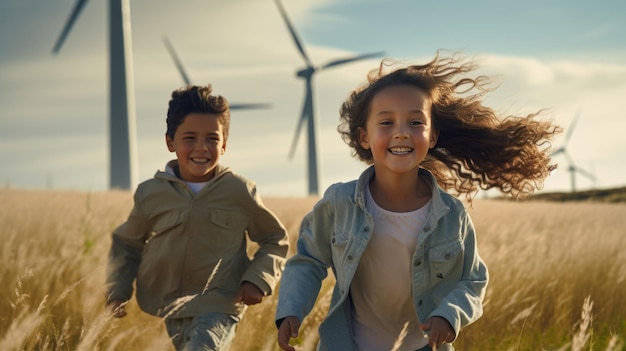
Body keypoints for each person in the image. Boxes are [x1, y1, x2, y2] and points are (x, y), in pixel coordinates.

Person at [275, 51, 561, 351]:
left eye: (415, 123)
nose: (401, 133)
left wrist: (450, 316)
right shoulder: (339, 203)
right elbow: (308, 260)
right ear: (364, 137)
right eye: (386, 123)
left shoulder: (451, 214)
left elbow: (473, 280)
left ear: (432, 136)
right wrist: (291, 311)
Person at [105, 84, 289, 351]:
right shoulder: (150, 193)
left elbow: (275, 239)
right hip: (170, 306)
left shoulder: (238, 190)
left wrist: (257, 279)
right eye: (190, 138)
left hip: (220, 305)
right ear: (170, 142)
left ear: (224, 144)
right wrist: (118, 290)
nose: (201, 148)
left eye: (212, 139)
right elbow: (127, 243)